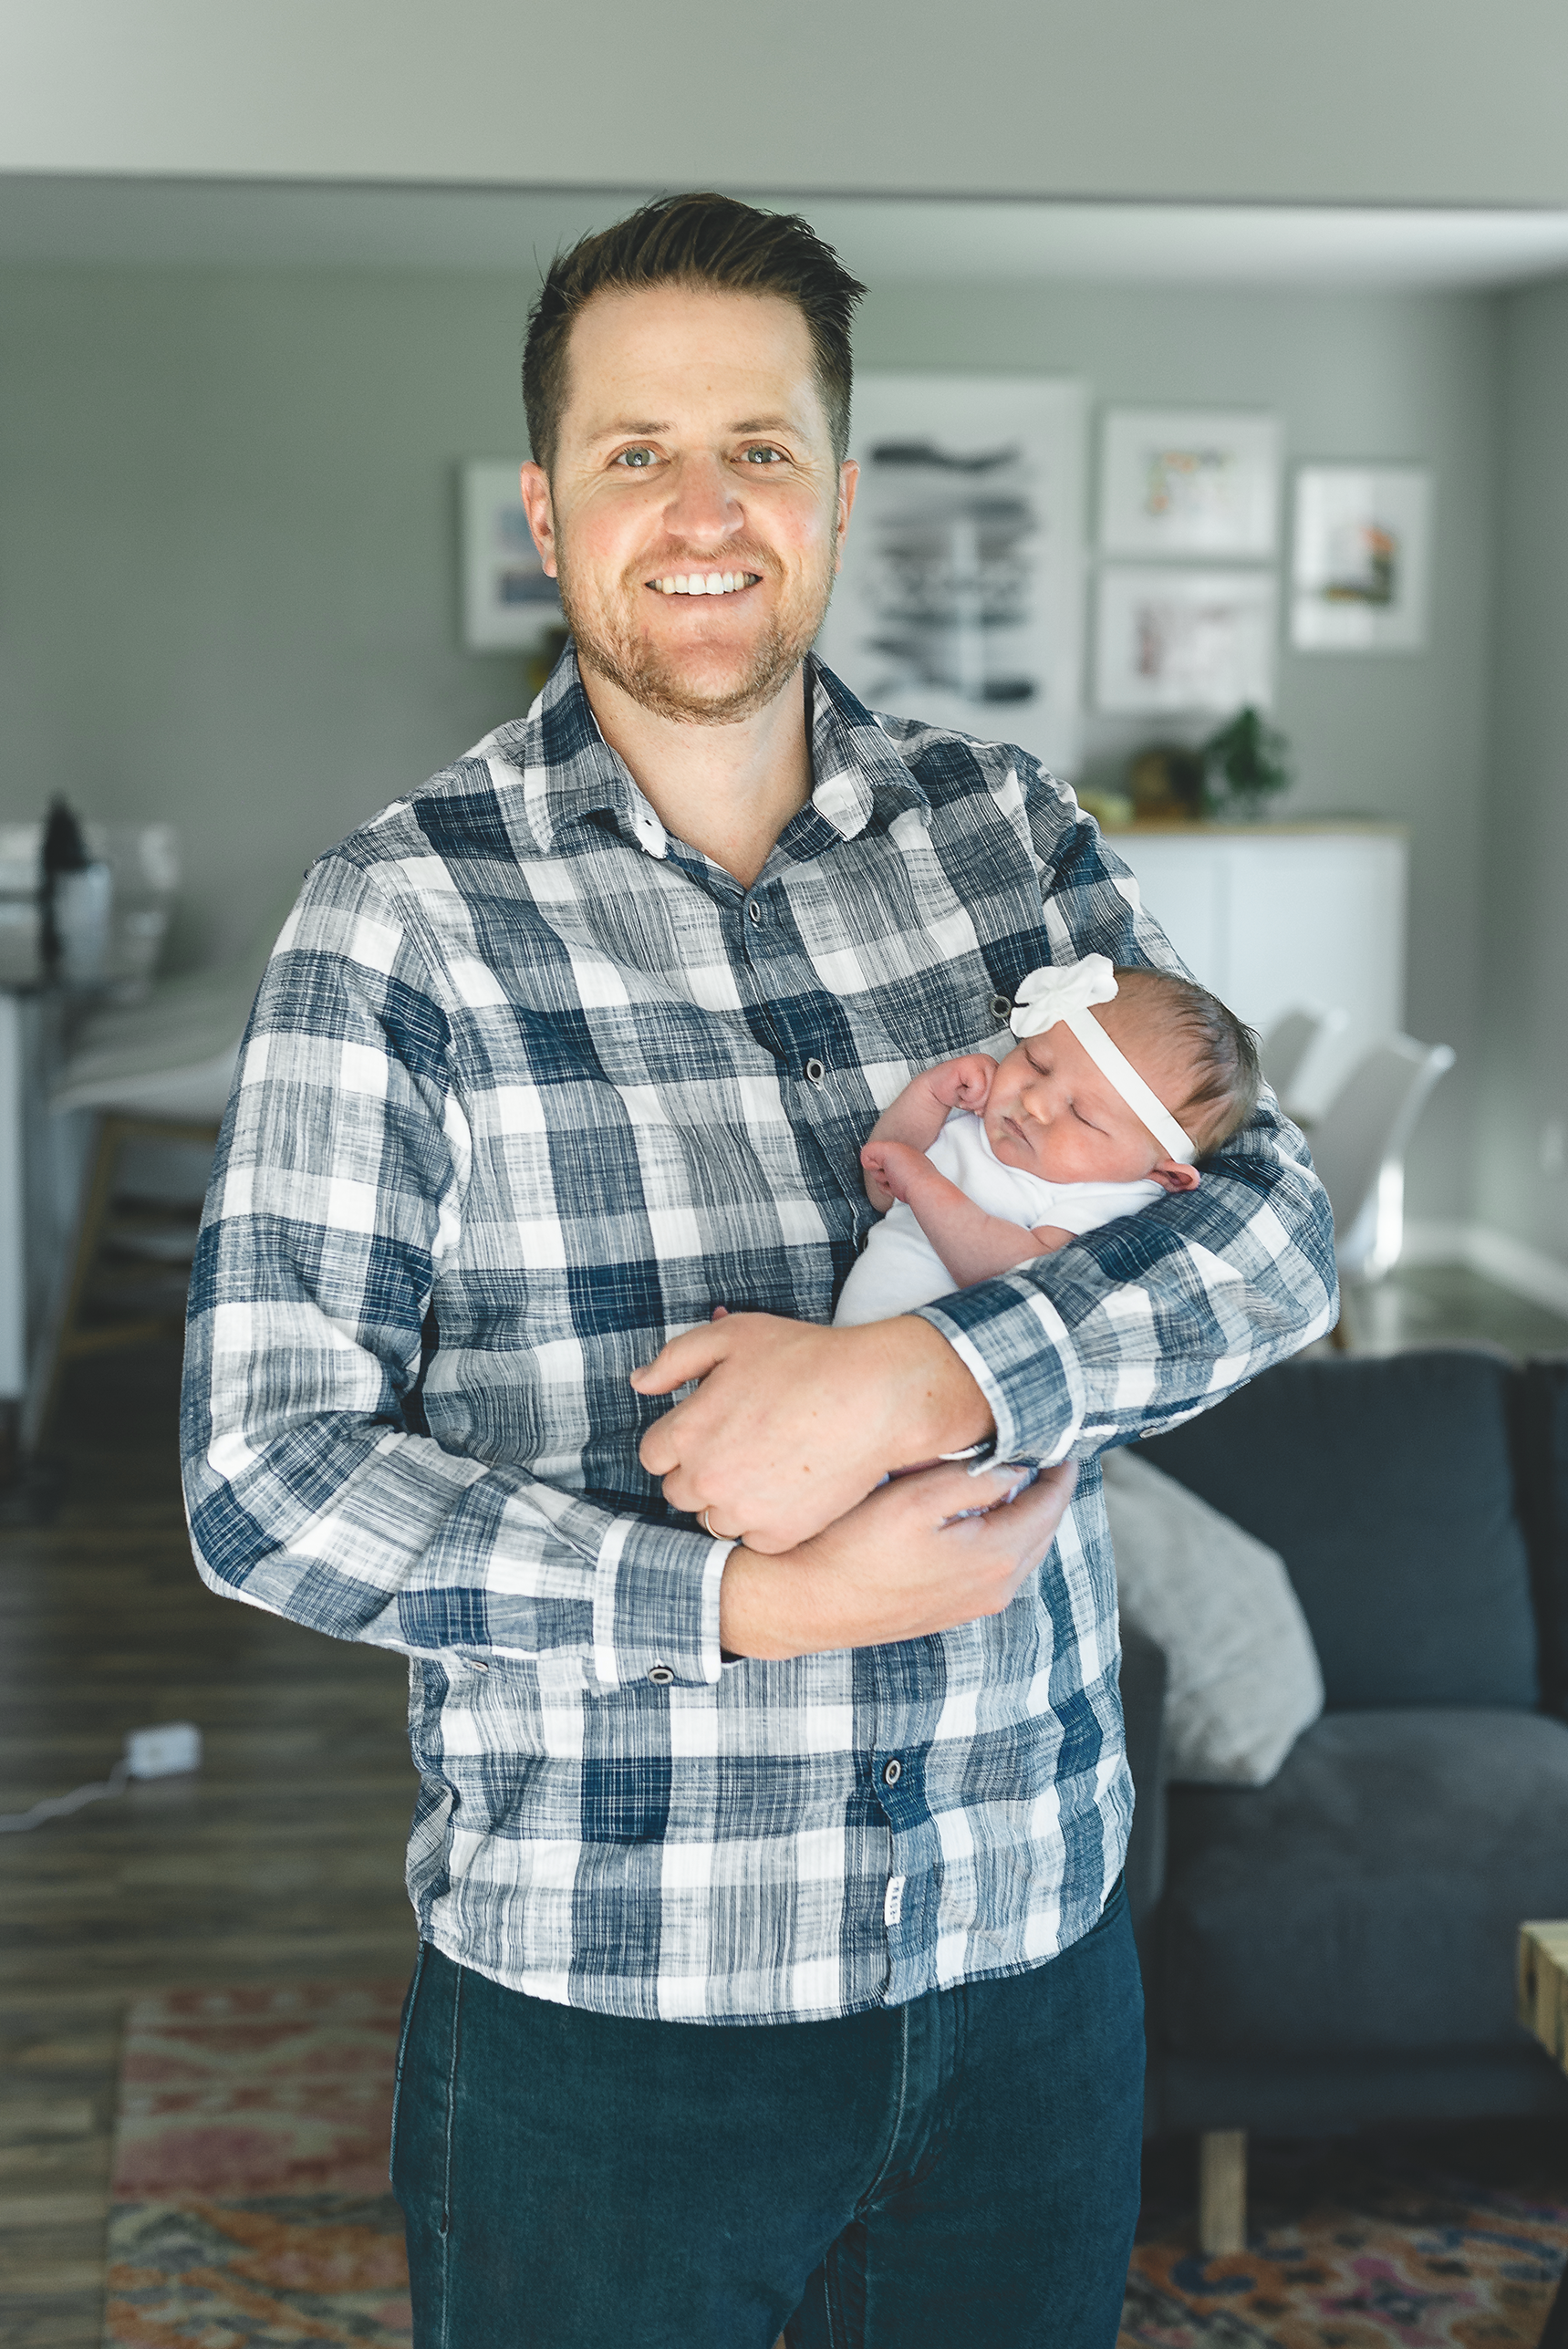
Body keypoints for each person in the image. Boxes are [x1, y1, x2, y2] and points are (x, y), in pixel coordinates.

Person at [181, 192, 1335, 2349]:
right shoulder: (395, 919)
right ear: (545, 504)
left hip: (1026, 1960)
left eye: (759, 448)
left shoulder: (1009, 836)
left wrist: (922, 1379)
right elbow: (265, 1477)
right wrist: (741, 1596)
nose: (702, 510)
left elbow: (1271, 1228)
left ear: (835, 491)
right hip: (617, 2011)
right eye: (635, 451)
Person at [836, 955, 1260, 1326]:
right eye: (1036, 1063)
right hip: (844, 1353)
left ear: (1161, 1173)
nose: (1034, 1103)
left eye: (1082, 1115)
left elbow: (1016, 1282)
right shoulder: (978, 1118)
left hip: (942, 1373)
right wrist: (931, 1095)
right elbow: (882, 1189)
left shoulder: (1107, 1195)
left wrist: (925, 1186)